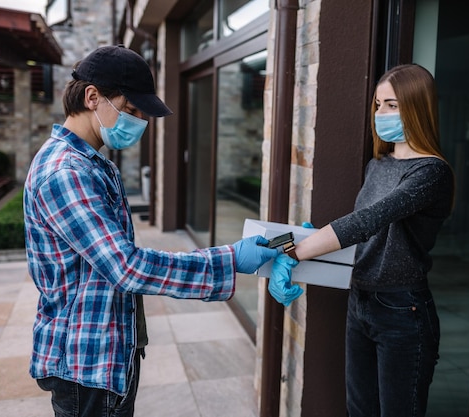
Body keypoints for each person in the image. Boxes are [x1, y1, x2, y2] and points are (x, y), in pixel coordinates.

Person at [23, 45, 278, 417]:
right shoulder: (66, 173)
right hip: (86, 363)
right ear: (92, 97)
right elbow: (127, 267)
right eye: (131, 110)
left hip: (107, 351)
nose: (140, 121)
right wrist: (229, 259)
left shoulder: (94, 164)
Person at [268, 64, 455, 417]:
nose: (381, 113)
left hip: (403, 309)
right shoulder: (378, 165)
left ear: (418, 107)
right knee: (359, 409)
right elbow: (360, 231)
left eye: (393, 106)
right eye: (378, 104)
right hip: (360, 300)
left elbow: (369, 221)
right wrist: (296, 241)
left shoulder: (431, 172)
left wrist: (295, 253)